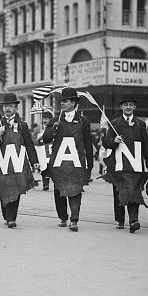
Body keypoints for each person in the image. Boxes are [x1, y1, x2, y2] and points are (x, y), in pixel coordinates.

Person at [42, 87, 94, 232]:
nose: (62, 104)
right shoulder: (55, 120)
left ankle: (74, 220)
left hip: (76, 162)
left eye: (65, 101)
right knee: (59, 190)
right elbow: (45, 139)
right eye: (61, 101)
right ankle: (63, 217)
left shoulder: (83, 121)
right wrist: (53, 129)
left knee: (76, 190)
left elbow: (88, 144)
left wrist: (89, 164)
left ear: (73, 103)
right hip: (59, 162)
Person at [101, 97, 148, 233]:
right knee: (119, 192)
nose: (128, 107)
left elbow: (146, 144)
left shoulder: (140, 124)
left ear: (134, 107)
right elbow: (106, 142)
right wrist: (114, 140)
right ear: (121, 107)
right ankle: (120, 220)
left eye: (131, 105)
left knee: (134, 191)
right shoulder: (114, 123)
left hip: (135, 164)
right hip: (118, 164)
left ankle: (133, 220)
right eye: (126, 105)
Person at [0, 93, 40, 228]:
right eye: (5, 106)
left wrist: (34, 161)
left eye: (10, 106)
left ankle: (12, 218)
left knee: (16, 189)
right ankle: (6, 214)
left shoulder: (22, 125)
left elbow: (29, 144)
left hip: (18, 163)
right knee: (3, 190)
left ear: (16, 108)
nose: (7, 109)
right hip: (3, 164)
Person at [36, 109, 54, 191]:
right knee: (44, 168)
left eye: (47, 119)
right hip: (43, 152)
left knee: (52, 168)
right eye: (43, 119)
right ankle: (45, 184)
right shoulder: (39, 130)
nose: (45, 121)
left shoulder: (53, 129)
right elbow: (35, 141)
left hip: (51, 151)